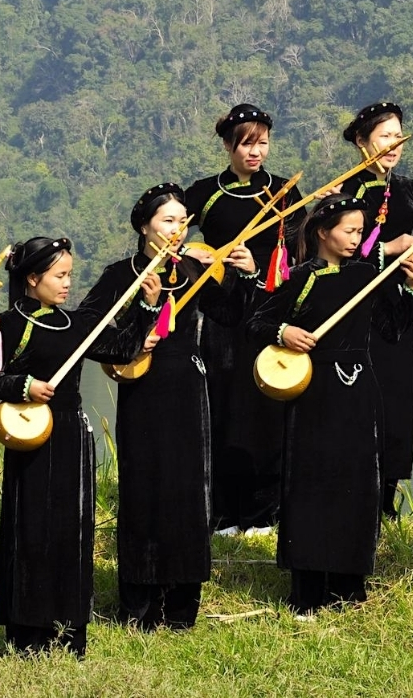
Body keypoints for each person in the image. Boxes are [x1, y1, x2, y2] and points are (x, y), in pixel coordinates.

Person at [0, 236, 158, 655]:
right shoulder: (11, 325)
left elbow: (122, 349)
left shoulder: (76, 324)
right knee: (31, 528)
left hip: (71, 435)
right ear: (32, 278)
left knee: (72, 529)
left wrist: (147, 307)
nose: (68, 283)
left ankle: (70, 633)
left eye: (70, 274)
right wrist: (24, 386)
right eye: (59, 275)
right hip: (31, 437)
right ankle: (27, 634)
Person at [80, 183, 255, 630]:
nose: (177, 230)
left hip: (190, 387)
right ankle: (138, 605)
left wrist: (245, 276)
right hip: (143, 389)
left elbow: (232, 316)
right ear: (144, 226)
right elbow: (88, 334)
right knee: (144, 490)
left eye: (182, 221)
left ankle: (181, 608)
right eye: (167, 221)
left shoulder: (196, 267)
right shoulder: (121, 273)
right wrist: (136, 336)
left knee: (189, 494)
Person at [247, 194, 413, 615]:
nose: (355, 239)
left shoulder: (368, 275)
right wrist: (284, 332)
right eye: (349, 231)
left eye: (361, 232)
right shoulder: (300, 277)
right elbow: (257, 322)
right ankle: (306, 593)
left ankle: (348, 588)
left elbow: (391, 328)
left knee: (358, 486)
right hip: (312, 390)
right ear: (323, 232)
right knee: (309, 484)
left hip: (360, 391)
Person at [184, 103, 306, 534]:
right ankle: (221, 511)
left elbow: (299, 252)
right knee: (222, 402)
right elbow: (169, 234)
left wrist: (259, 266)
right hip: (220, 314)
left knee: (265, 405)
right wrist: (193, 254)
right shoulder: (205, 191)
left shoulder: (284, 192)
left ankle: (263, 511)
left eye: (263, 143)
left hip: (269, 308)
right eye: (246, 144)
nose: (256, 153)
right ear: (227, 145)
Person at [340, 101, 413, 517]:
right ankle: (354, 494)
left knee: (398, 395)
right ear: (362, 142)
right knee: (364, 396)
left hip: (401, 304)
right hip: (358, 308)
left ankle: (388, 499)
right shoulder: (346, 190)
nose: (394, 144)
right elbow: (338, 253)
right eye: (384, 135)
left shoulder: (409, 189)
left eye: (398, 135)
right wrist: (387, 250)